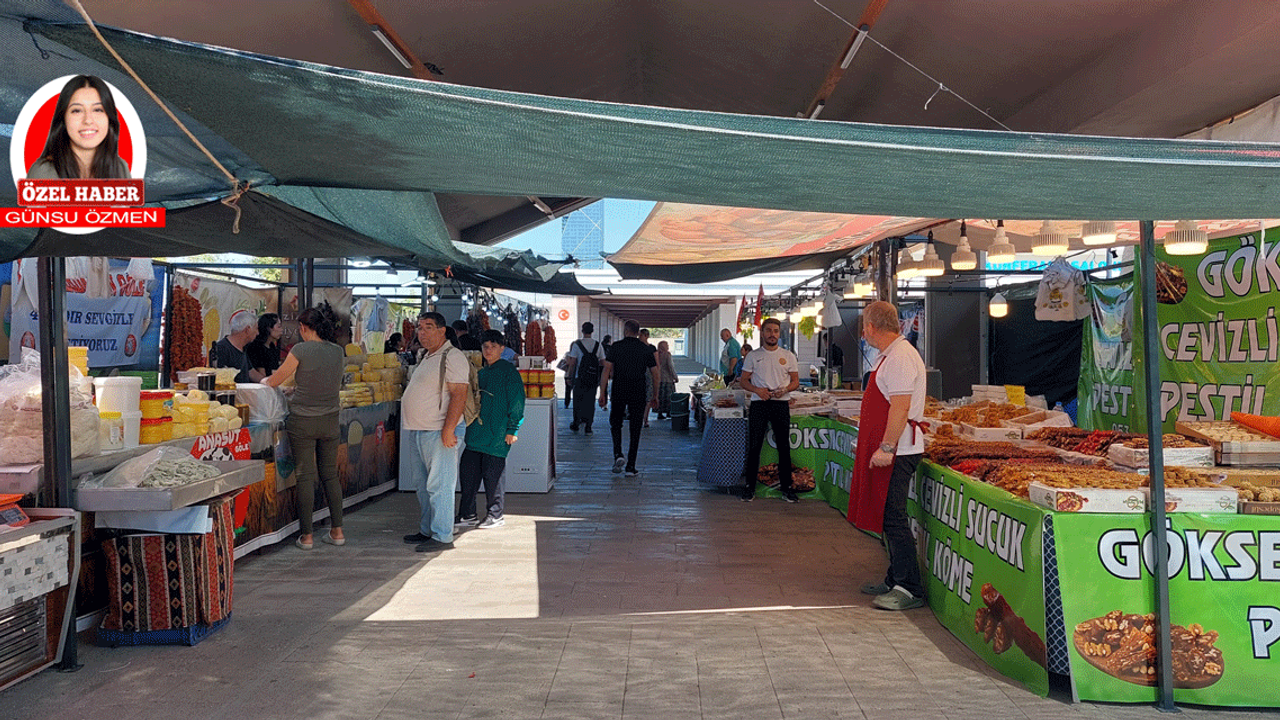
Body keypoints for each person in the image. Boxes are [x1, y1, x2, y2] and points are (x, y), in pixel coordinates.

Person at [853, 300, 928, 611]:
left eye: (864, 327)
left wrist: (886, 447)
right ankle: (894, 576)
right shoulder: (890, 355)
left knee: (893, 518)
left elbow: (899, 408)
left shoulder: (899, 358)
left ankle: (909, 588)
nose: (864, 333)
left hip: (900, 450)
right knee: (886, 516)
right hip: (894, 448)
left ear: (871, 327)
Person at [262, 306, 345, 550]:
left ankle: (307, 537)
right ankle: (337, 532)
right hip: (330, 420)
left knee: (305, 476)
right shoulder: (338, 352)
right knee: (330, 474)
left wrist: (266, 382)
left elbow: (275, 380)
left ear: (303, 328)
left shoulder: (300, 350)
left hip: (302, 422)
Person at [400, 312, 470, 552]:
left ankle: (442, 535)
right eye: (420, 328)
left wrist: (449, 429)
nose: (422, 332)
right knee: (423, 484)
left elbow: (459, 394)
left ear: (442, 331)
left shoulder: (453, 356)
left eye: (429, 327)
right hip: (420, 429)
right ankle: (427, 529)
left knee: (440, 485)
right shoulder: (427, 356)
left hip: (439, 430)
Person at [456, 329, 525, 530]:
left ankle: (495, 514)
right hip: (475, 434)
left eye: (494, 346)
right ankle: (467, 514)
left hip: (497, 435)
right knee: (468, 474)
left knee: (493, 477)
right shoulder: (480, 373)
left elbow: (517, 402)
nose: (488, 350)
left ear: (502, 348)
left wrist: (513, 429)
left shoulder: (509, 372)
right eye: (485, 346)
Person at [739, 318, 800, 503]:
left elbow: (795, 381)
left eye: (775, 330)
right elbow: (743, 381)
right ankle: (749, 487)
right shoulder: (753, 356)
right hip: (759, 404)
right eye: (768, 330)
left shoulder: (788, 355)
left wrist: (786, 390)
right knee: (754, 445)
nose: (772, 334)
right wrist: (758, 390)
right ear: (762, 333)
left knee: (784, 446)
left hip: (781, 403)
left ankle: (787, 488)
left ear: (779, 333)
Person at [27, 75, 130, 180]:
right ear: (63, 119)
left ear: (110, 118)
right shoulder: (43, 173)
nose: (88, 120)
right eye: (77, 111)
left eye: (98, 110)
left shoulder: (121, 168)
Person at [599, 320, 658, 476]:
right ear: (638, 332)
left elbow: (606, 371)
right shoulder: (645, 349)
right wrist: (655, 395)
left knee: (616, 423)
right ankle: (631, 466)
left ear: (625, 331)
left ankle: (618, 454)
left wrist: (602, 393)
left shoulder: (616, 347)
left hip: (619, 390)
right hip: (638, 390)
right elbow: (655, 373)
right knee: (635, 427)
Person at [566, 321, 603, 434]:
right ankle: (588, 426)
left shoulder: (577, 344)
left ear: (582, 331)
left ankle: (576, 423)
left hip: (579, 378)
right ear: (592, 331)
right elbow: (602, 362)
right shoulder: (598, 345)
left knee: (578, 401)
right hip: (592, 379)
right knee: (590, 402)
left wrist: (568, 376)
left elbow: (572, 362)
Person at [213, 310, 259, 383]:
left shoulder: (243, 348)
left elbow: (251, 373)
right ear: (248, 329)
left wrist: (271, 383)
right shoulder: (221, 349)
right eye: (256, 328)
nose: (257, 333)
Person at [245, 313, 283, 380]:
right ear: (268, 328)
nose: (281, 330)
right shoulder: (255, 347)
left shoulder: (272, 347)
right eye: (279, 327)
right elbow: (261, 372)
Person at [639, 329, 658, 427]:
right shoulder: (637, 346)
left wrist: (657, 376)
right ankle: (642, 417)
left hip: (649, 373)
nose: (639, 337)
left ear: (646, 336)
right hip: (640, 373)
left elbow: (656, 362)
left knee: (648, 397)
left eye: (641, 335)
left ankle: (645, 418)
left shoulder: (652, 348)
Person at [655, 340, 677, 419]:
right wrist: (675, 377)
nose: (668, 346)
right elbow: (670, 367)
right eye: (667, 345)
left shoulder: (656, 354)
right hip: (667, 379)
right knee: (668, 397)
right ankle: (668, 412)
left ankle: (659, 413)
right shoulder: (667, 355)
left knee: (660, 397)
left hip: (658, 378)